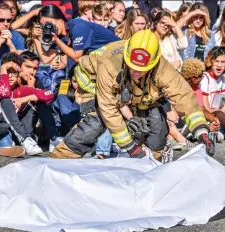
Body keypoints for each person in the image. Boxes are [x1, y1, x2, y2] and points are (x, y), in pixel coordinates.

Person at [51, 30, 215, 160]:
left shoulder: (161, 68)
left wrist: (201, 132)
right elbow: (109, 108)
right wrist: (129, 146)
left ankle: (151, 168)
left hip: (130, 91)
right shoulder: (110, 63)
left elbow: (184, 97)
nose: (136, 71)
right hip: (92, 83)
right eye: (133, 67)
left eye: (141, 69)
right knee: (95, 123)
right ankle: (60, 159)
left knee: (157, 124)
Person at [0, 52, 58, 155]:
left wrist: (26, 98)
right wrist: (4, 68)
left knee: (40, 101)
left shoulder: (21, 88)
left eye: (14, 73)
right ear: (1, 72)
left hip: (17, 130)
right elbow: (5, 93)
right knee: (6, 101)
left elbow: (49, 94)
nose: (10, 76)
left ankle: (53, 138)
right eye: (7, 72)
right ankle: (13, 142)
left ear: (18, 73)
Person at [33, 4, 120, 71]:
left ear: (60, 20)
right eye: (44, 26)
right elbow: (45, 59)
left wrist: (56, 40)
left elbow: (77, 57)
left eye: (49, 23)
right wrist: (35, 38)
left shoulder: (78, 26)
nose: (48, 28)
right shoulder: (61, 37)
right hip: (106, 61)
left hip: (119, 54)